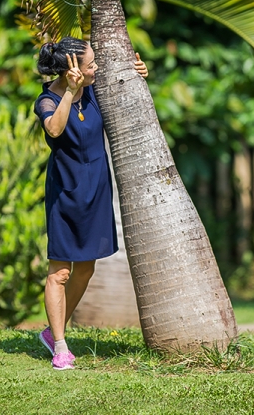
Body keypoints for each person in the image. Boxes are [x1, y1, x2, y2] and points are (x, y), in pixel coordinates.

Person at [34, 37, 148, 370]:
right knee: (61, 272)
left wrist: (139, 72)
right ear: (72, 68)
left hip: (97, 187)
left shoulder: (95, 89)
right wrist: (70, 91)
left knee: (86, 266)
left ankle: (51, 330)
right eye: (90, 64)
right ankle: (60, 346)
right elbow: (54, 129)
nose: (95, 67)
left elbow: (125, 91)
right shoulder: (47, 99)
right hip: (66, 191)